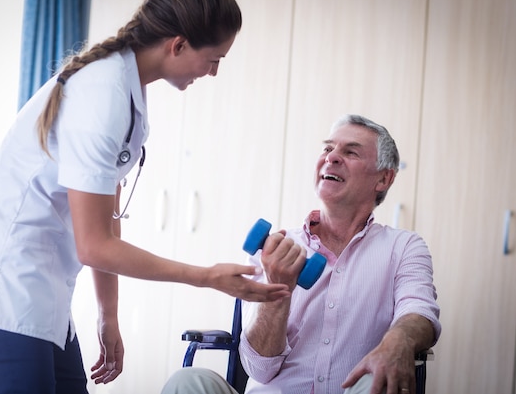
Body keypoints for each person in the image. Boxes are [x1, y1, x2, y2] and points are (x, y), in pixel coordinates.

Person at [0, 0, 291, 393]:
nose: (212, 71)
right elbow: (95, 245)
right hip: (6, 283)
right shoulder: (102, 94)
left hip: (41, 283)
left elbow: (107, 223)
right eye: (214, 59)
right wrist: (205, 276)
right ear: (177, 45)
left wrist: (109, 314)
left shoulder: (126, 91)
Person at [161, 114, 441, 394]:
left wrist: (399, 340)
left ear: (383, 178)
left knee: (375, 385)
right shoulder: (277, 249)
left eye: (350, 151)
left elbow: (419, 312)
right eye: (328, 148)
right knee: (188, 382)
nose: (331, 158)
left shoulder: (404, 247)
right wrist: (277, 290)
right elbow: (259, 369)